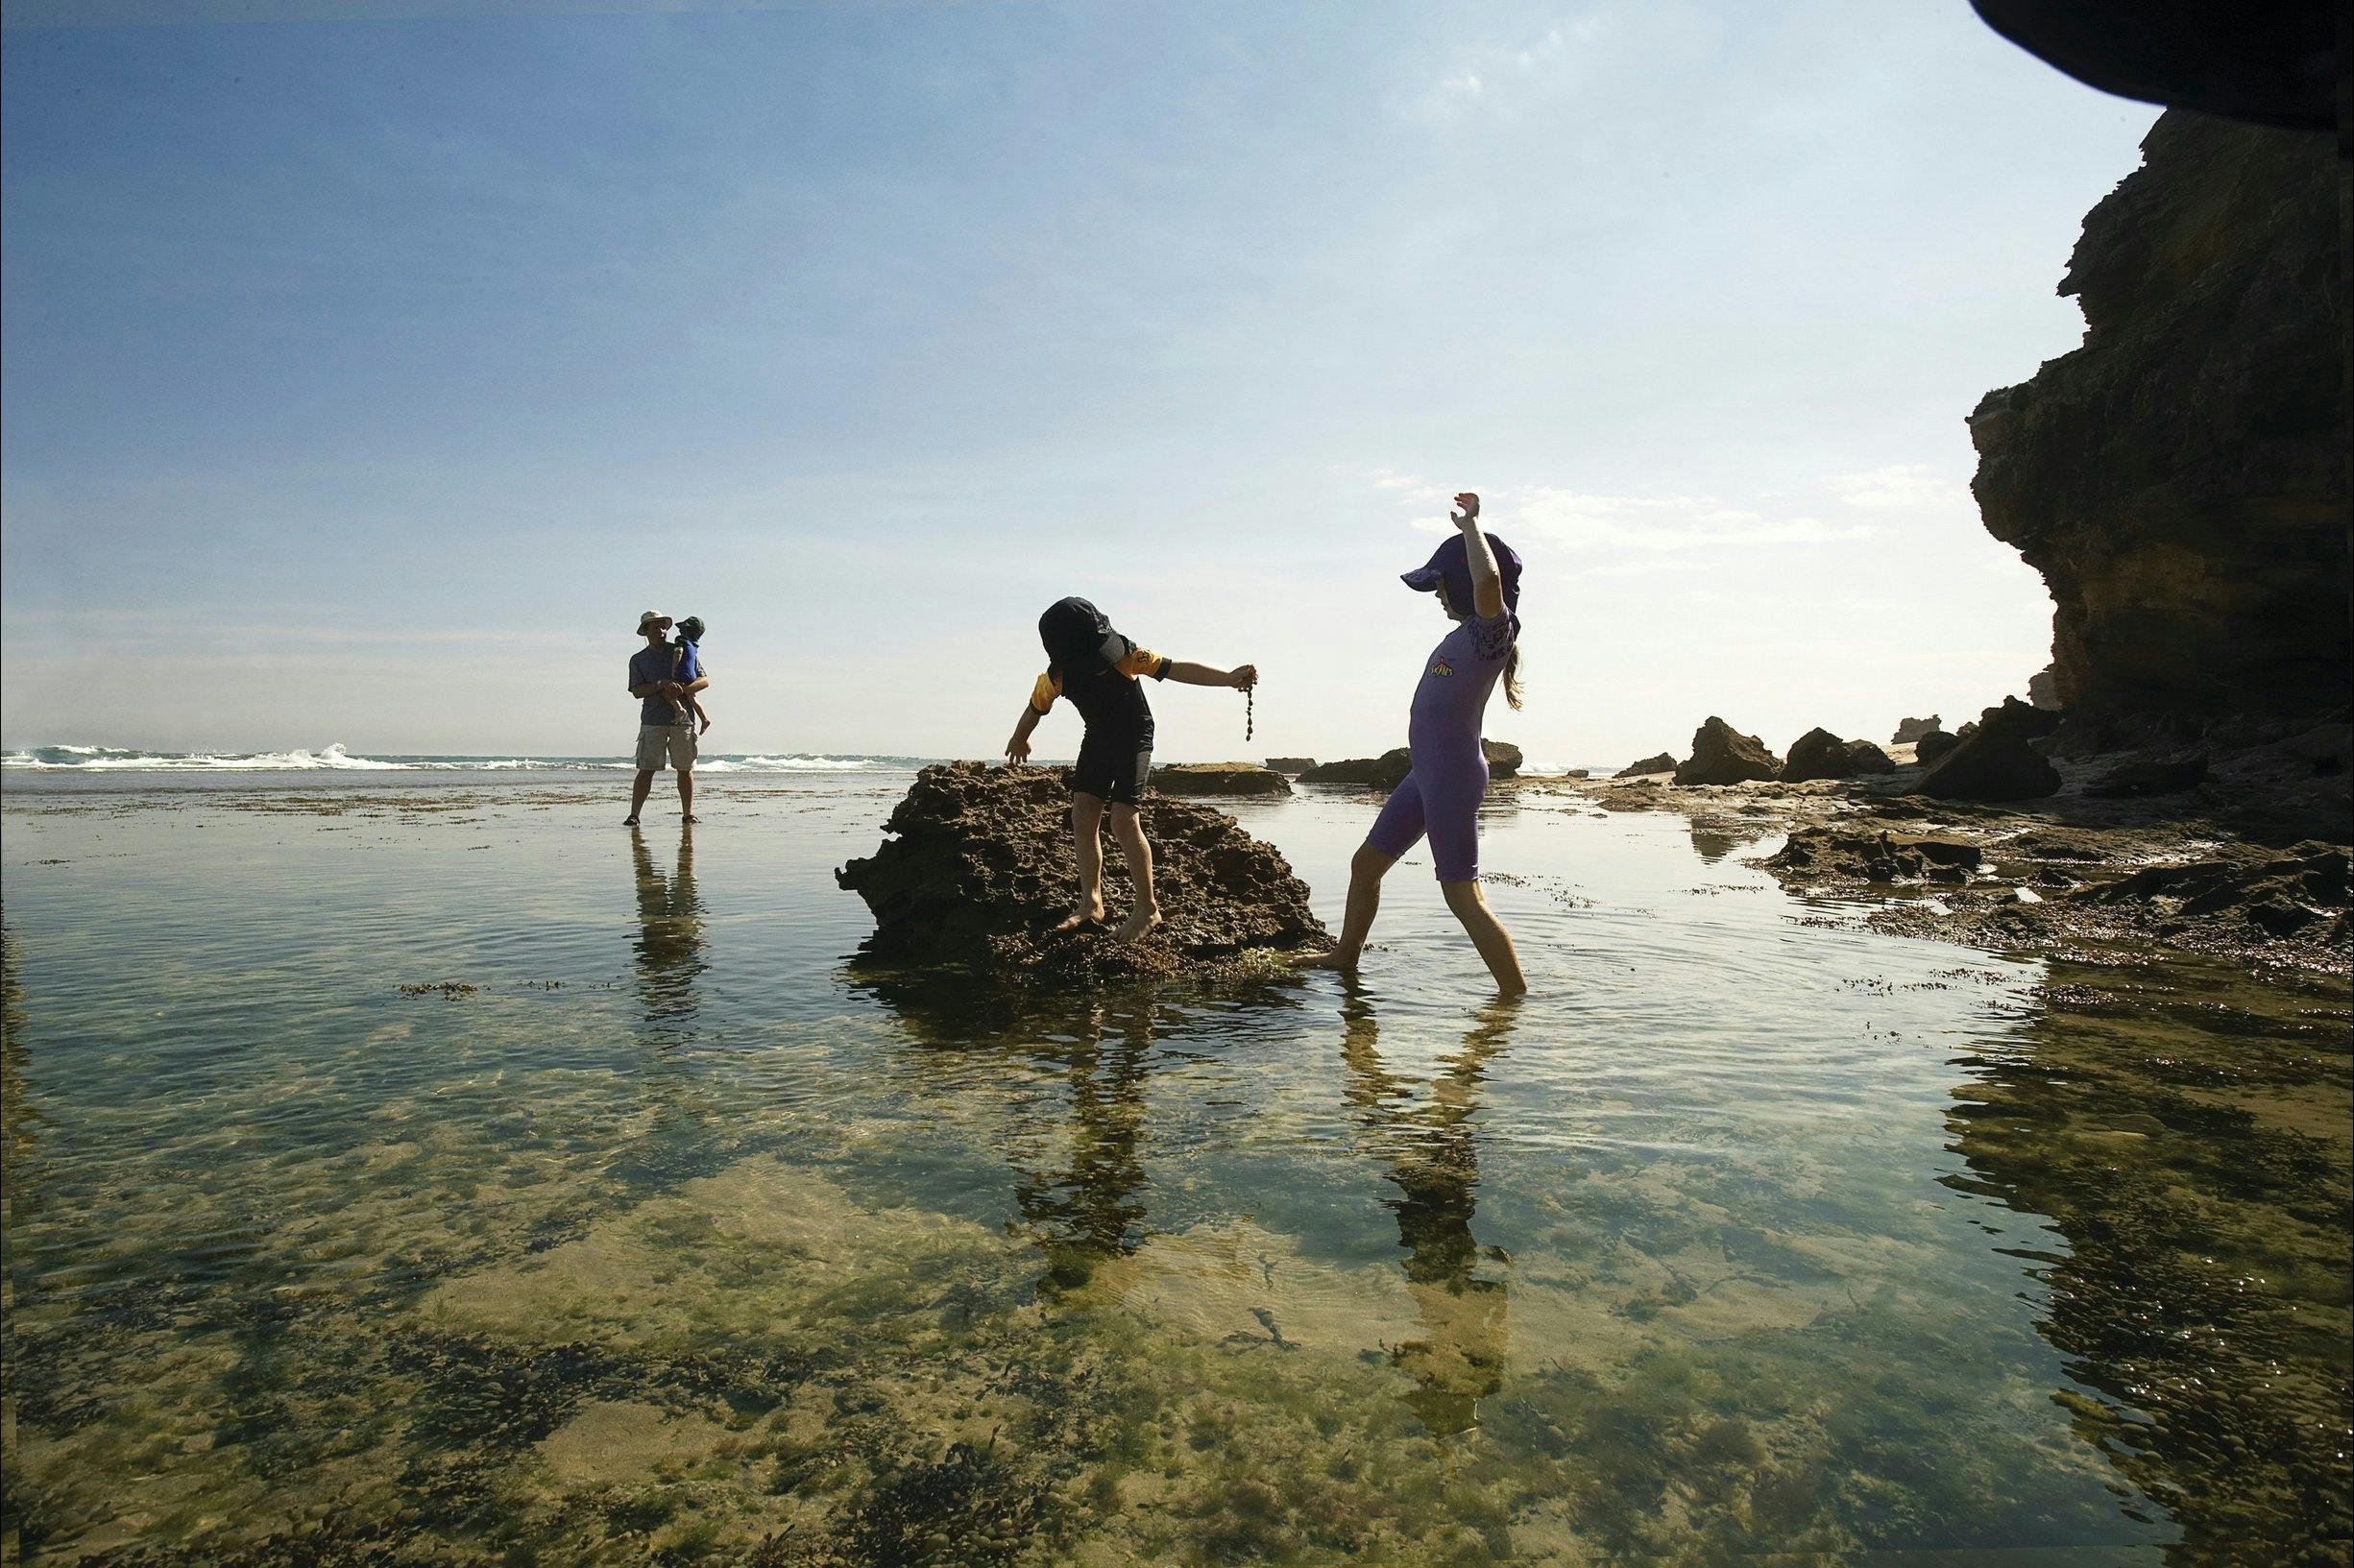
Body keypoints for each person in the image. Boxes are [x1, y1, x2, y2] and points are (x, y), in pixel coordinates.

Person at [1294, 494, 1528, 994]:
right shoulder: (1463, 634)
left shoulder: (1492, 634)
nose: (1438, 595)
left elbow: (1488, 582)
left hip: (1453, 775)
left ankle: (1514, 998)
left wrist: (1471, 528)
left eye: (1441, 584)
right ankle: (1343, 958)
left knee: (1462, 894)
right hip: (1427, 774)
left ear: (1464, 583)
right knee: (1366, 865)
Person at [1003, 597, 1255, 942]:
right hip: (1098, 738)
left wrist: (1228, 678)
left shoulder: (1125, 654)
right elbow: (1034, 708)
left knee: (1123, 819)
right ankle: (1091, 902)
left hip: (1136, 735)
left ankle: (1147, 908)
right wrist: (1020, 738)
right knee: (1083, 815)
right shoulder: (1055, 678)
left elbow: (1176, 668)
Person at [625, 610, 708, 827]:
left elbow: (704, 681)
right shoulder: (638, 660)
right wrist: (661, 685)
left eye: (662, 626)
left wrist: (680, 688)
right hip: (653, 720)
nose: (660, 630)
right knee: (646, 769)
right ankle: (634, 815)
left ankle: (688, 814)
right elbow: (637, 691)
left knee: (685, 769)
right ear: (645, 631)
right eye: (654, 627)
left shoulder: (680, 650)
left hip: (683, 721)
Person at [674, 616, 714, 735]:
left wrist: (674, 668)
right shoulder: (693, 645)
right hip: (691, 675)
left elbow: (678, 652)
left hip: (682, 673)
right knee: (692, 698)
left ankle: (679, 709)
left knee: (670, 694)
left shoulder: (680, 640)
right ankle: (704, 718)